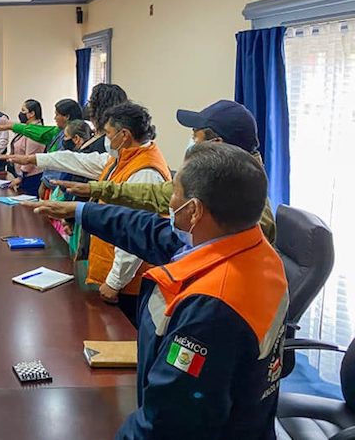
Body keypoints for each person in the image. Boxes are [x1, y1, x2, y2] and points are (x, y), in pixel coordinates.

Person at [24, 143, 288, 439]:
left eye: (174, 191)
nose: (169, 200)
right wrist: (82, 211)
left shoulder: (212, 308)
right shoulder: (250, 249)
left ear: (195, 210)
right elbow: (148, 230)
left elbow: (167, 423)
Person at [9, 103, 171, 322]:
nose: (105, 139)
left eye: (108, 133)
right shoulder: (122, 158)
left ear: (124, 135)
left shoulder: (145, 171)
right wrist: (37, 160)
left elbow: (134, 235)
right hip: (112, 273)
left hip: (130, 285)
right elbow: (81, 161)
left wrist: (115, 282)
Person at [52, 100, 276, 243]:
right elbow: (157, 194)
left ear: (216, 144)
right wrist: (94, 189)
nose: (191, 141)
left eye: (195, 134)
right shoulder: (216, 176)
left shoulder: (249, 209)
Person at [0, 98, 83, 198]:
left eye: (57, 114)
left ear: (67, 117)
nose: (54, 118)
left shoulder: (69, 137)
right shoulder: (59, 131)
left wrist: (42, 180)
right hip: (50, 183)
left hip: (58, 185)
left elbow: (58, 163)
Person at [6, 99, 46, 195]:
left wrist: (20, 178)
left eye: (23, 111)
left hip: (30, 177)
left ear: (32, 113)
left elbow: (30, 159)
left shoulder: (35, 131)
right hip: (21, 175)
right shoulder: (27, 128)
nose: (21, 113)